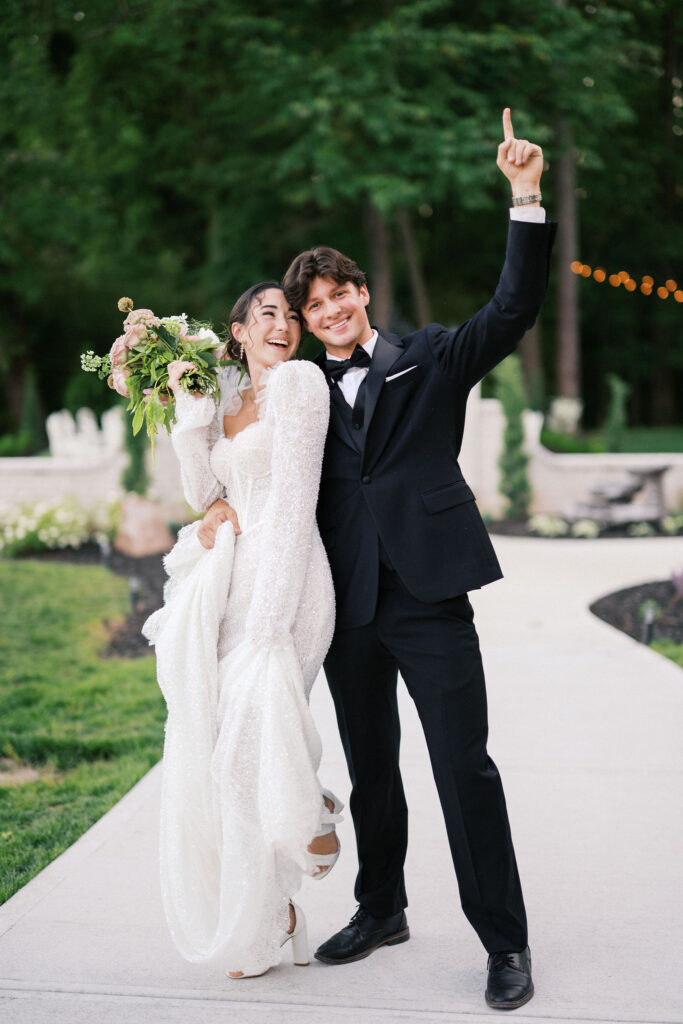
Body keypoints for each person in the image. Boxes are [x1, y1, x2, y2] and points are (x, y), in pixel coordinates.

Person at [199, 109, 556, 1009]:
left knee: (461, 768)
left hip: (430, 595)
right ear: (304, 320)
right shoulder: (294, 389)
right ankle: (380, 906)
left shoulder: (431, 357)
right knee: (370, 773)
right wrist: (211, 491)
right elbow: (233, 448)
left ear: (361, 295)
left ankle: (504, 943)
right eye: (312, 306)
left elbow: (512, 307)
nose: (328, 312)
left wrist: (523, 195)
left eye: (339, 295)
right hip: (343, 600)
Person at [143, 283, 342, 979]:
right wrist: (189, 413)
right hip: (231, 583)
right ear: (237, 331)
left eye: (291, 315)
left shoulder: (300, 384)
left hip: (288, 585)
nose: (285, 323)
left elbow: (292, 504)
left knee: (250, 743)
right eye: (269, 314)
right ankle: (274, 914)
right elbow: (206, 493)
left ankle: (306, 815)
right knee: (223, 744)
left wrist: (268, 622)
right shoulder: (226, 392)